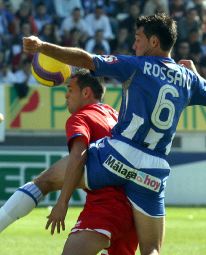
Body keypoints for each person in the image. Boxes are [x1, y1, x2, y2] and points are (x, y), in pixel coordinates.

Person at [22, 13, 206, 255]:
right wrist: (196, 76)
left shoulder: (137, 65)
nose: (134, 44)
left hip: (117, 156)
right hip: (153, 169)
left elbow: (87, 59)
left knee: (45, 181)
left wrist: (42, 46)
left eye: (138, 38)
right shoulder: (189, 80)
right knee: (151, 249)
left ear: (153, 42)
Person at [0, 70, 138, 255]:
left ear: (86, 92)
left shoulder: (81, 117)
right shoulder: (114, 115)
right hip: (134, 210)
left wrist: (62, 202)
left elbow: (78, 155)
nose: (66, 95)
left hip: (107, 206)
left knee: (44, 181)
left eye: (70, 89)